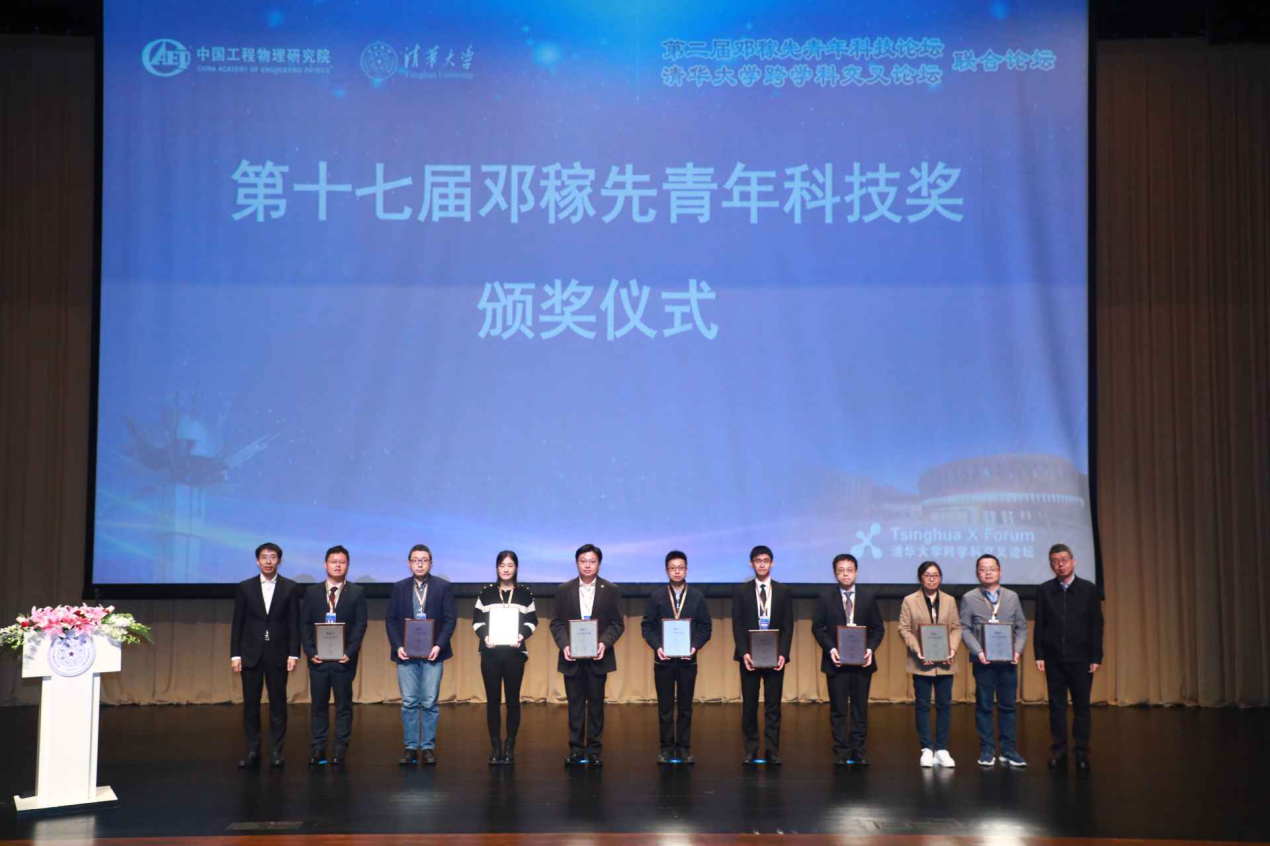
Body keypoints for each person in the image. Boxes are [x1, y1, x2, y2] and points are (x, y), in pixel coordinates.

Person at [549, 543, 625, 766]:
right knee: (574, 706)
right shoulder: (564, 590)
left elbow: (617, 624)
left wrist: (603, 643)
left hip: (598, 657)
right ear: (576, 563)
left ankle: (594, 750)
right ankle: (575, 749)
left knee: (596, 707)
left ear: (599, 564)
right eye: (583, 561)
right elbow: (556, 623)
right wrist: (565, 645)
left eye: (592, 561)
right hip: (571, 657)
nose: (588, 565)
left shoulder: (610, 590)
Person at [230, 542, 300, 769]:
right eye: (264, 557)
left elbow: (294, 623)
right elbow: (237, 624)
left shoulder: (290, 587)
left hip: (279, 654)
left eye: (273, 557)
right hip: (250, 654)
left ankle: (277, 751)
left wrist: (294, 654)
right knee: (251, 706)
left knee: (278, 705)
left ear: (279, 560)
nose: (268, 561)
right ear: (257, 561)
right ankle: (253, 750)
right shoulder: (245, 587)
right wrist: (235, 655)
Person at [1034, 543, 1104, 771]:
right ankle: (1059, 750)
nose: (1060, 565)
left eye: (1064, 560)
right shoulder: (1044, 590)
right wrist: (1039, 654)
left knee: (1082, 707)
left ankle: (1082, 752)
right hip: (1053, 659)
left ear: (1073, 562)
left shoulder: (1088, 589)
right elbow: (1040, 624)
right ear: (1051, 565)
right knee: (1056, 706)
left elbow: (1097, 625)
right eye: (1055, 561)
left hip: (1081, 659)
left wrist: (1096, 656)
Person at [386, 544, 457, 766]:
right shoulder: (399, 587)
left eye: (424, 560)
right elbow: (391, 620)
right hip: (406, 654)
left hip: (433, 654)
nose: (420, 564)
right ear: (409, 563)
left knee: (429, 702)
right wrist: (398, 645)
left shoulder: (443, 587)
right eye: (415, 560)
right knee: (409, 702)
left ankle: (427, 747)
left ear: (431, 563)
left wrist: (439, 645)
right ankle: (410, 747)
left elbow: (450, 620)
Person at [810, 553, 884, 766]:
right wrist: (831, 649)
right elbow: (818, 627)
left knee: (860, 709)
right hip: (836, 663)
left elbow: (878, 629)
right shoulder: (825, 598)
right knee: (839, 709)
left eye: (849, 570)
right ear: (835, 573)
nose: (845, 574)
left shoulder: (868, 597)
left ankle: (859, 750)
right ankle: (841, 750)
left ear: (856, 572)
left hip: (862, 663)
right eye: (840, 570)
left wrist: (870, 649)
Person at [640, 550, 713, 764]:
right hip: (663, 661)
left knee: (685, 708)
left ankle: (683, 748)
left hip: (688, 662)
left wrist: (694, 647)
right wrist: (657, 646)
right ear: (667, 570)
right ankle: (665, 748)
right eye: (672, 568)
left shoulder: (697, 596)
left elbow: (705, 627)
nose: (677, 572)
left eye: (680, 568)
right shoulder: (657, 596)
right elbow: (647, 626)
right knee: (665, 708)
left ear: (686, 570)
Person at [958, 553, 1029, 768]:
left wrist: (1017, 651)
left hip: (1008, 662)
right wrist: (978, 651)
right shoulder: (969, 598)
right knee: (984, 707)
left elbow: (1022, 627)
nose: (988, 572)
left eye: (992, 568)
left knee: (1008, 706)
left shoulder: (1012, 597)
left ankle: (1008, 750)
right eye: (983, 569)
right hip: (984, 662)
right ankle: (987, 749)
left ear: (1000, 571)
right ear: (977, 573)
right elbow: (964, 628)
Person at [300, 545, 368, 766]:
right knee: (318, 706)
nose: (338, 565)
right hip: (318, 660)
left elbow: (360, 625)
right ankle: (318, 748)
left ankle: (340, 749)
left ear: (347, 565)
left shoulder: (357, 592)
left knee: (343, 707)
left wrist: (350, 652)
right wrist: (310, 652)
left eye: (342, 562)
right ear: (325, 565)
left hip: (343, 660)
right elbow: (304, 624)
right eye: (333, 561)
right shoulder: (312, 592)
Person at [472, 550, 538, 765]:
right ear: (497, 568)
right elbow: (477, 621)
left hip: (514, 654)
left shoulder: (525, 594)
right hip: (490, 654)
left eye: (510, 565)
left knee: (512, 701)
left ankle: (510, 745)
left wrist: (521, 635)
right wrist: (485, 636)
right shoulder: (486, 593)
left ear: (516, 568)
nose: (506, 569)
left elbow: (532, 621)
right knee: (492, 701)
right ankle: (495, 745)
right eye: (502, 565)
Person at [731, 545, 794, 765]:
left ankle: (772, 750)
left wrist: (783, 653)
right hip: (749, 656)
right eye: (758, 561)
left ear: (772, 563)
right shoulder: (741, 591)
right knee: (749, 706)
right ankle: (750, 750)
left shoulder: (783, 591)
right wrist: (744, 653)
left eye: (766, 560)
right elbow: (737, 625)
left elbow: (788, 626)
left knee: (773, 706)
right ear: (751, 564)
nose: (762, 564)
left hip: (775, 656)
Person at [899, 560, 962, 768]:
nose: (932, 579)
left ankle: (942, 748)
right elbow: (904, 629)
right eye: (927, 575)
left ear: (940, 578)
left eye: (935, 575)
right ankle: (926, 748)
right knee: (923, 705)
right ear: (920, 578)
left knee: (944, 705)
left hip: (946, 661)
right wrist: (918, 650)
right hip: (921, 662)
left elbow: (956, 628)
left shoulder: (950, 600)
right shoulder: (910, 600)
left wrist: (952, 649)